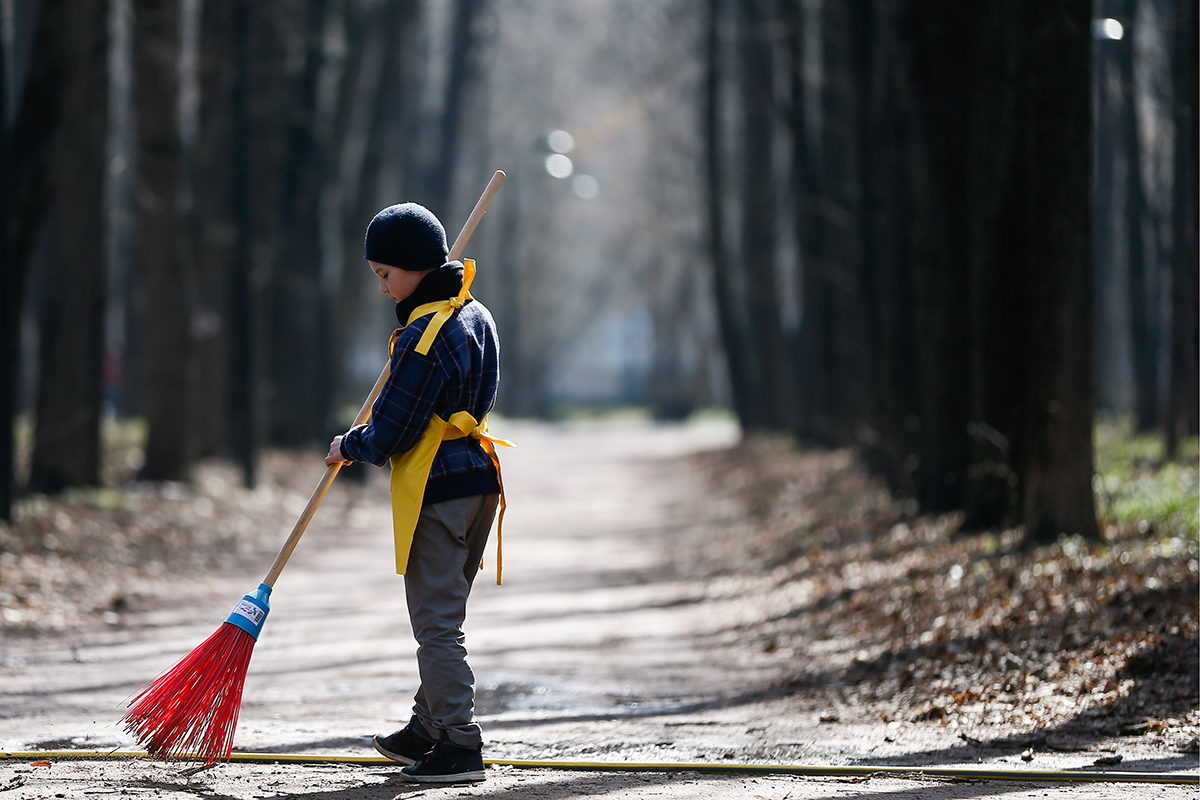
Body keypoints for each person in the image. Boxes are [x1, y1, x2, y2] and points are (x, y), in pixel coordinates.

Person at [325, 201, 507, 784]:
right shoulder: (473, 314)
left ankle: (458, 742)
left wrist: (352, 445)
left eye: (385, 274)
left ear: (415, 267)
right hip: (479, 480)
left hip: (439, 486)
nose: (382, 288)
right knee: (444, 609)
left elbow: (396, 426)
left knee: (435, 624)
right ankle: (427, 726)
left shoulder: (425, 333)